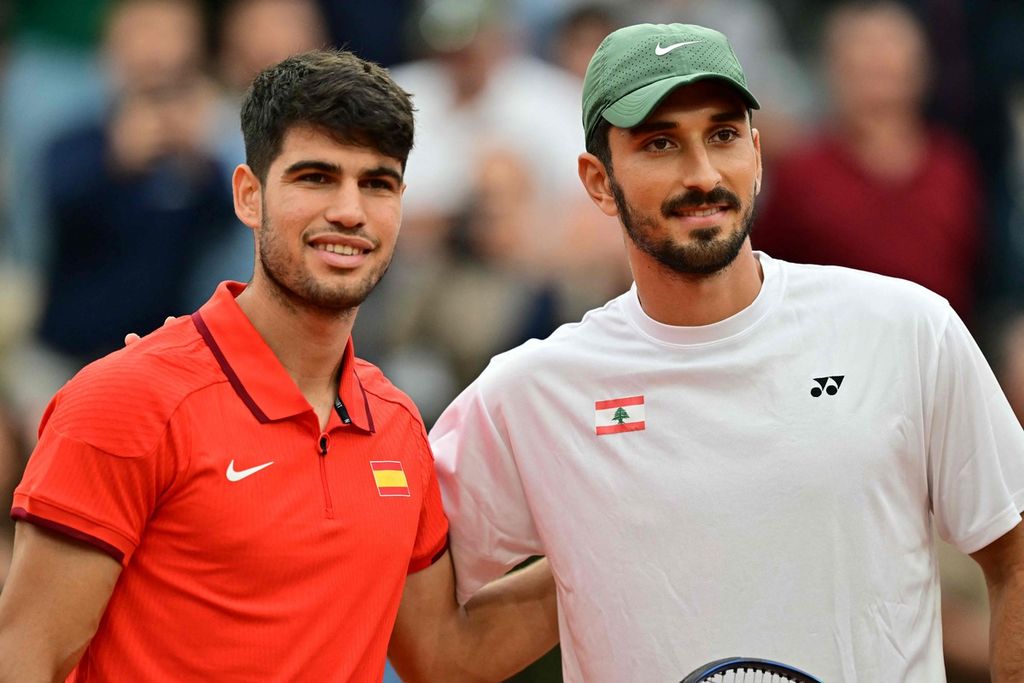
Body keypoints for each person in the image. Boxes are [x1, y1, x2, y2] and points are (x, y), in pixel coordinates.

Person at [429, 22, 1024, 682]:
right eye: (660, 143)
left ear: (758, 152)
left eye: (723, 135)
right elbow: (438, 649)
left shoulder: (909, 326)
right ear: (598, 182)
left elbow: (1016, 552)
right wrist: (592, 556)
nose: (704, 173)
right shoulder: (531, 389)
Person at [0, 50, 557, 682]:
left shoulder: (397, 425)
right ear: (249, 196)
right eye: (316, 177)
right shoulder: (126, 400)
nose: (349, 211)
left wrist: (608, 541)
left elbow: (444, 656)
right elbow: (26, 660)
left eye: (376, 183)